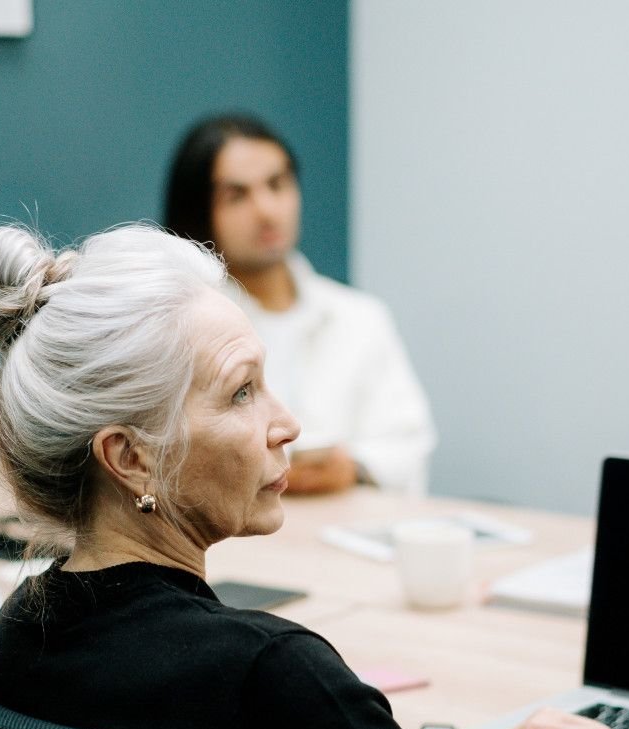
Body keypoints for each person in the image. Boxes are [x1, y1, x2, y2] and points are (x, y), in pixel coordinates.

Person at [0, 222, 629, 729]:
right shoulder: (273, 672)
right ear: (130, 458)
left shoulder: (23, 634)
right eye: (241, 393)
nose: (288, 423)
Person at [164, 113, 437, 495]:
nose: (266, 210)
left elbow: (407, 442)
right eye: (237, 195)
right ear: (199, 211)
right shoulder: (180, 327)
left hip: (350, 521)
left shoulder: (360, 317)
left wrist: (352, 468)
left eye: (277, 184)